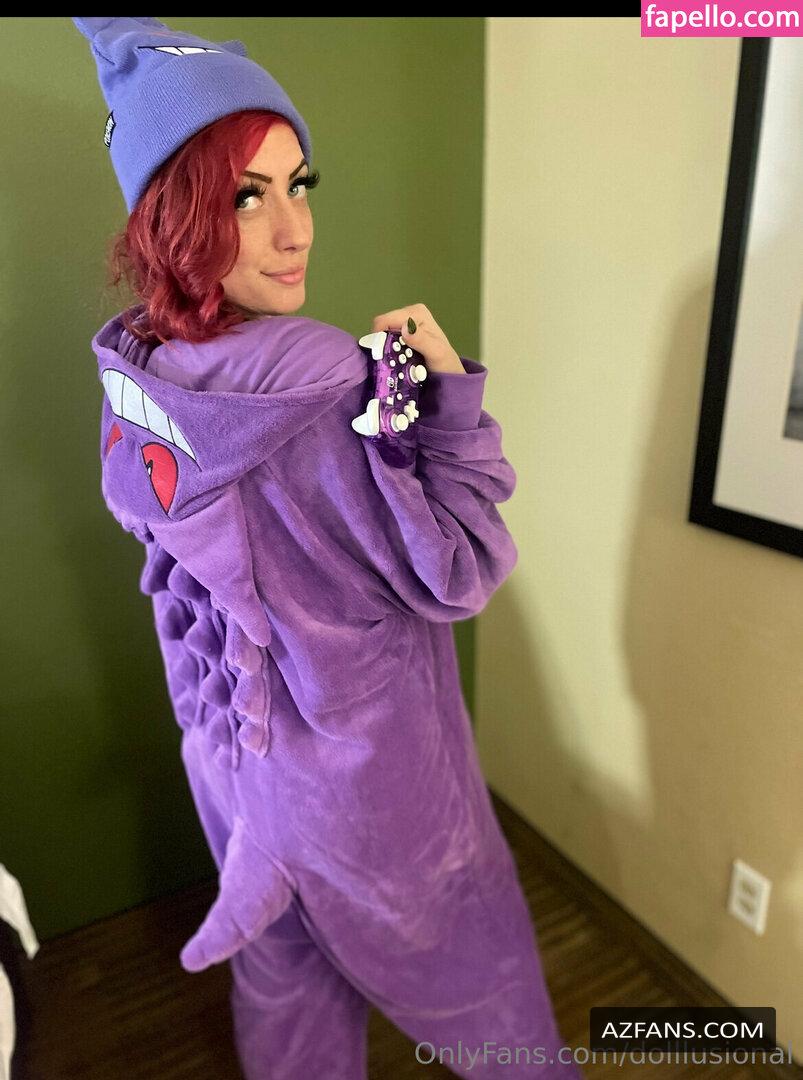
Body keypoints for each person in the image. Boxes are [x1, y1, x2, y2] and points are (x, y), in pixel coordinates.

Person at [73, 17, 583, 1080]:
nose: (293, 228)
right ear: (171, 214)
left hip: (233, 770)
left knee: (286, 992)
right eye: (243, 198)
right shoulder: (320, 379)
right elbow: (458, 567)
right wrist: (447, 402)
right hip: (373, 794)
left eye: (297, 184)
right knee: (486, 998)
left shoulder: (138, 377)